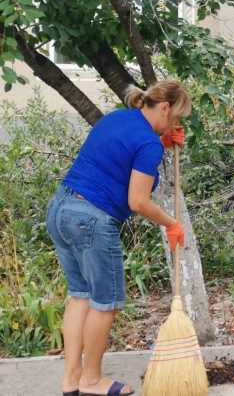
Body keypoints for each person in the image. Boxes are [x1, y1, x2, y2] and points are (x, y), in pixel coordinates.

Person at [46, 80, 191, 396]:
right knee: (105, 304)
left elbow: (119, 153)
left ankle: (72, 380)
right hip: (91, 220)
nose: (176, 125)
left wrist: (163, 140)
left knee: (80, 296)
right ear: (164, 108)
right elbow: (137, 202)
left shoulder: (116, 118)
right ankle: (91, 380)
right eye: (176, 118)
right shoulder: (148, 144)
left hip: (60, 210)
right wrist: (171, 224)